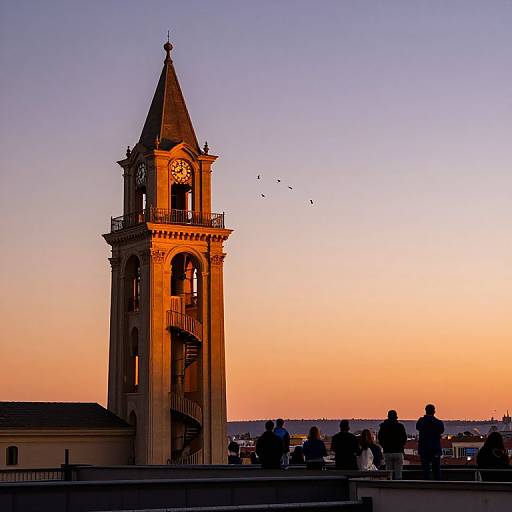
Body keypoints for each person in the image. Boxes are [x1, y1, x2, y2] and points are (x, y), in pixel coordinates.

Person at [416, 404, 445, 480]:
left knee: (425, 470)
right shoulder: (438, 423)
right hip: (435, 449)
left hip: (424, 449)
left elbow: (418, 427)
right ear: (434, 411)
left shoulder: (421, 421)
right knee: (436, 470)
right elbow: (441, 430)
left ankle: (426, 486)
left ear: (425, 411)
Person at [378, 409, 408, 479]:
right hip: (398, 451)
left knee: (388, 472)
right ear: (396, 417)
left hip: (387, 451)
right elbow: (404, 438)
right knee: (398, 473)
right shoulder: (400, 426)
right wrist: (401, 446)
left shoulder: (383, 426)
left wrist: (384, 446)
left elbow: (380, 438)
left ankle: (389, 484)